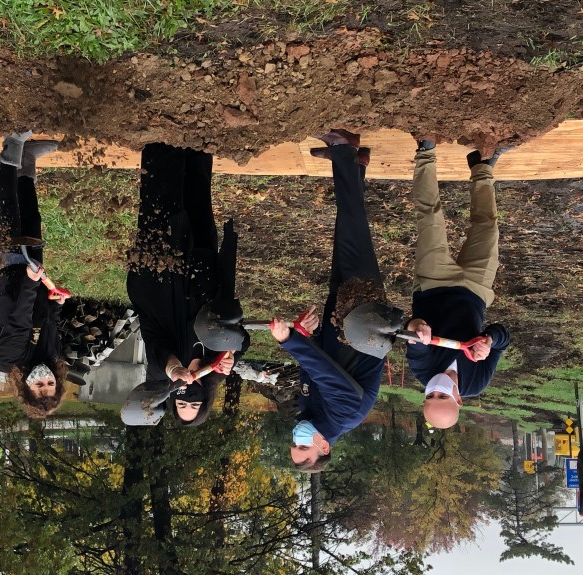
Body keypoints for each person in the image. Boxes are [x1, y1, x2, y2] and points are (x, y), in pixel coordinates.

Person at [270, 130, 385, 472]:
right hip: (364, 313)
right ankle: (344, 150)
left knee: (346, 237)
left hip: (340, 315)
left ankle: (355, 165)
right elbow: (326, 374)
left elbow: (319, 359)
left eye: (293, 444)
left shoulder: (311, 412)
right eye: (302, 446)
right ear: (322, 447)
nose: (297, 438)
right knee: (352, 232)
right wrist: (290, 342)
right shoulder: (345, 415)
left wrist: (309, 333)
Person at [126, 142, 249, 426]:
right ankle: (198, 138)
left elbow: (156, 346)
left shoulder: (161, 371)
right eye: (194, 403)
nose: (187, 396)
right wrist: (231, 352)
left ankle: (163, 137)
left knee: (161, 199)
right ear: (205, 399)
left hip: (163, 267)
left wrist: (173, 369)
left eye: (181, 402)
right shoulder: (218, 366)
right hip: (203, 266)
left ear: (171, 398)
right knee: (198, 198)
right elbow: (240, 334)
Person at [405, 140, 511, 429]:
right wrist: (489, 342)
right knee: (488, 228)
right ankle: (482, 167)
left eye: (430, 396)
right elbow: (504, 338)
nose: (436, 388)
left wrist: (419, 329)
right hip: (476, 290)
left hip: (434, 284)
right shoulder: (476, 381)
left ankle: (425, 150)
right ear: (458, 400)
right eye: (443, 396)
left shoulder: (423, 369)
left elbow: (413, 331)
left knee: (430, 218)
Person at [0, 131, 68, 418]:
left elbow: (20, 317)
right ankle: (27, 159)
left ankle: (10, 151)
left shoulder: (9, 357)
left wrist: (30, 280)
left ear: (25, 386)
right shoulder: (51, 355)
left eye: (39, 384)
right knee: (32, 220)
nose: (45, 377)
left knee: (10, 215)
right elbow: (45, 320)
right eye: (50, 383)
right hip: (28, 280)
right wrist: (55, 303)